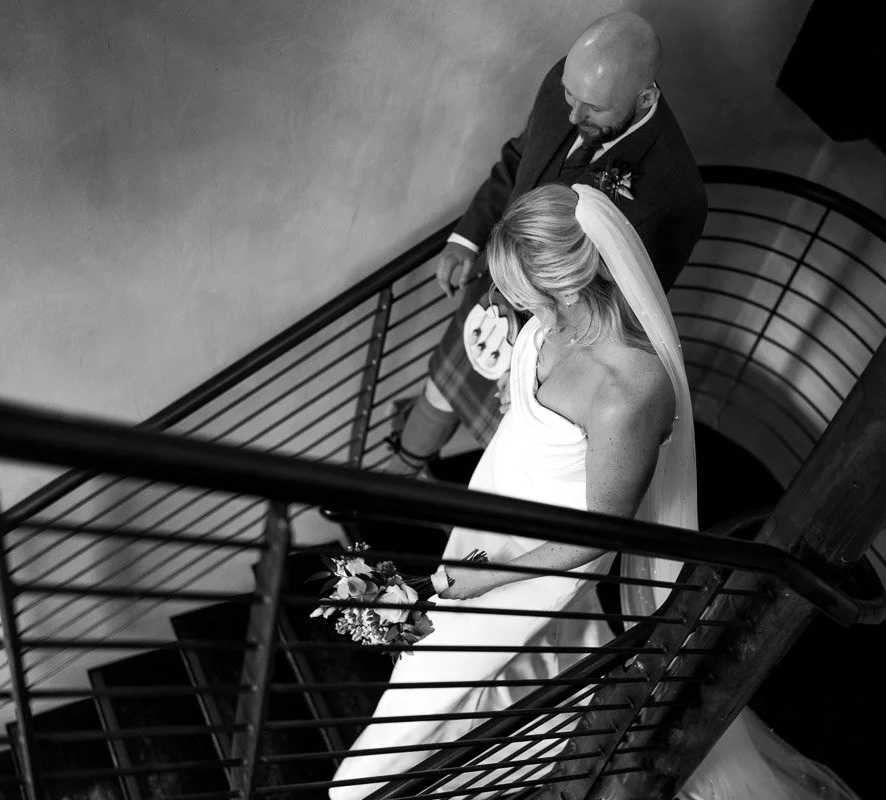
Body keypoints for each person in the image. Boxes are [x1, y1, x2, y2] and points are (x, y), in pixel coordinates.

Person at [330, 185, 859, 800]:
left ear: (570, 286)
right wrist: (520, 400)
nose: (516, 306)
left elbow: (598, 541)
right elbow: (536, 405)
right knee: (519, 677)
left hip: (532, 567)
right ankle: (537, 744)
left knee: (416, 711)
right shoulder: (553, 325)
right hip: (489, 522)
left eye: (528, 296)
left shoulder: (626, 392)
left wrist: (488, 580)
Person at [385, 11, 707, 477]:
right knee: (441, 387)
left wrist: (543, 365)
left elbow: (630, 313)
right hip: (496, 291)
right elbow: (520, 158)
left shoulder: (677, 193)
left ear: (645, 97)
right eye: (569, 97)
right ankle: (397, 479)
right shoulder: (570, 80)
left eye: (593, 109)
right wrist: (467, 237)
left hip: (555, 340)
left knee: (506, 455)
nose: (574, 116)